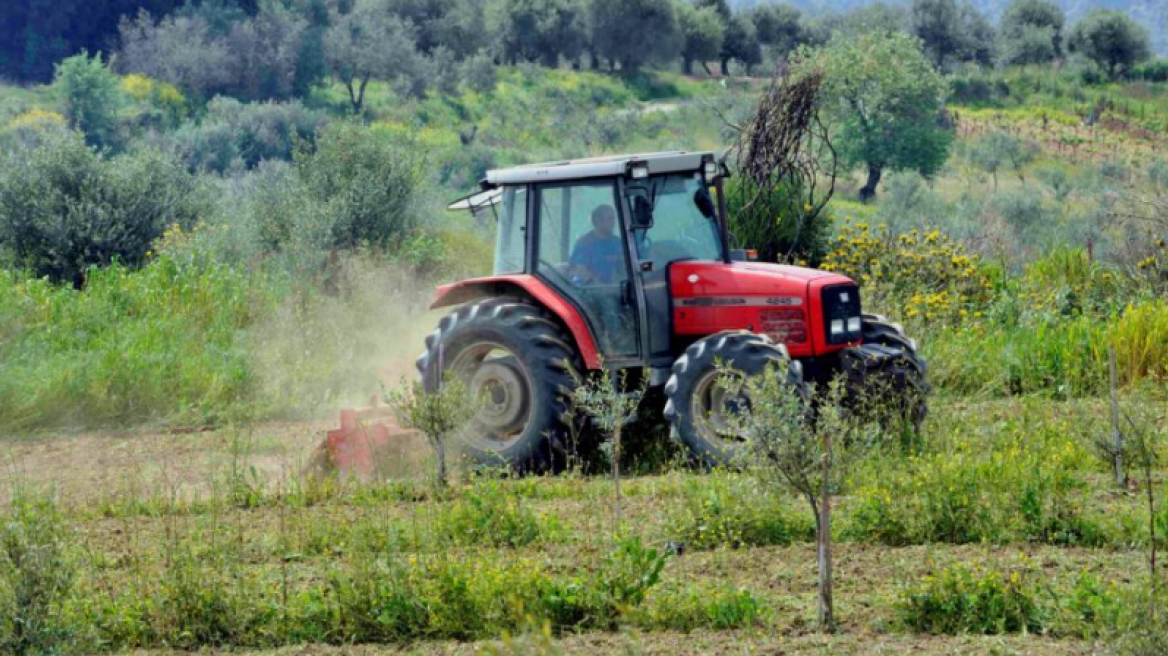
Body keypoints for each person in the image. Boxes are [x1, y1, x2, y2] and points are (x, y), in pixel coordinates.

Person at [569, 204, 624, 284]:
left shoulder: (618, 243)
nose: (613, 223)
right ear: (598, 220)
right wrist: (598, 285)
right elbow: (580, 270)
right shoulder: (584, 243)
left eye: (613, 219)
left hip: (614, 289)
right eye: (609, 219)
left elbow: (623, 266)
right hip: (590, 290)